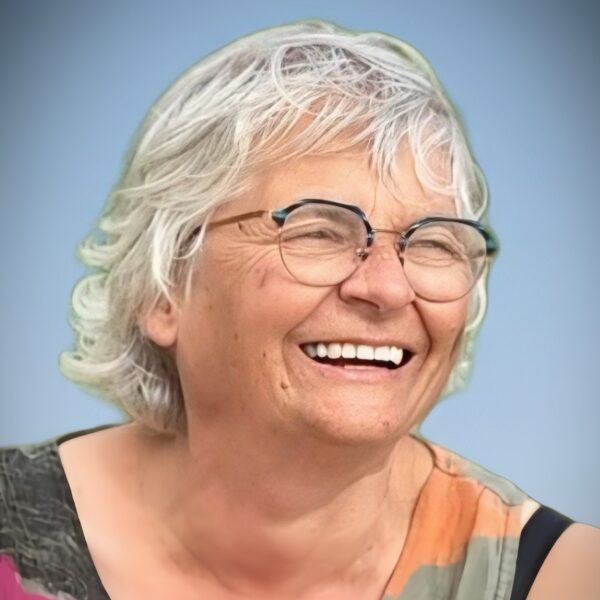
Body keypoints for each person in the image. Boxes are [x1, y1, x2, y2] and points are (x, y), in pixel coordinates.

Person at [1, 20, 598, 600]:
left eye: (433, 242)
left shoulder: (562, 580)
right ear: (163, 287)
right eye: (318, 232)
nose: (388, 288)